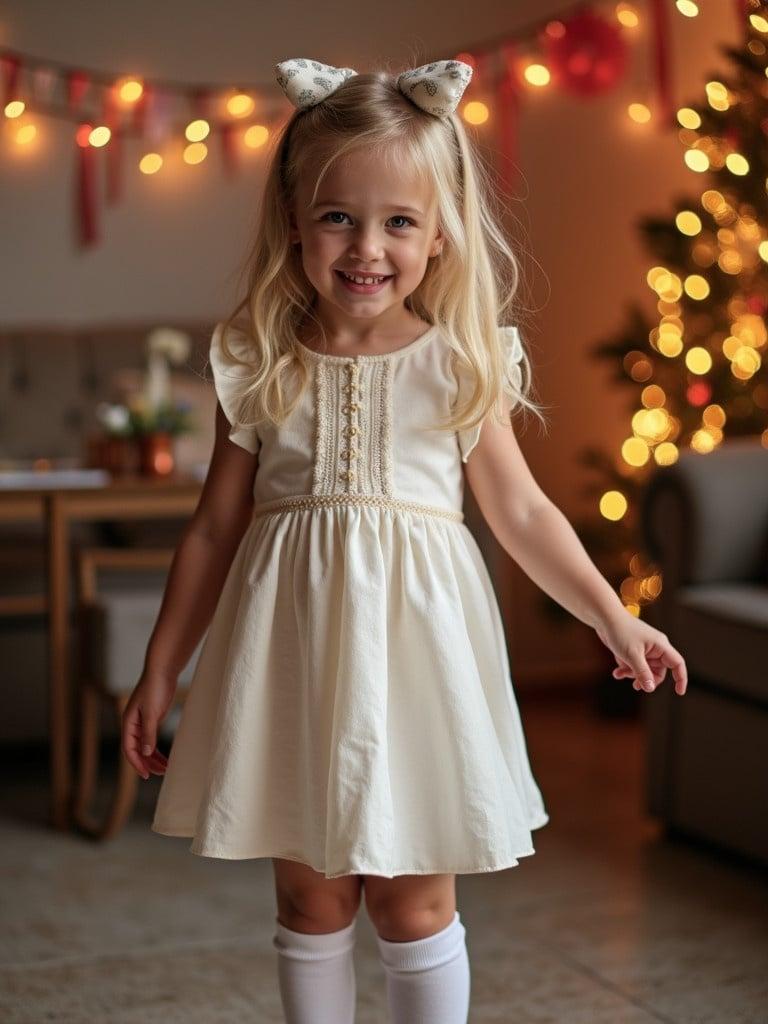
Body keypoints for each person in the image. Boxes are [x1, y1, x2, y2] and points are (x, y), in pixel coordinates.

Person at [121, 56, 688, 1024]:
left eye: (399, 221)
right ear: (294, 218)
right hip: (290, 658)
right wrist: (161, 668)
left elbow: (521, 512)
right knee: (310, 895)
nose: (366, 247)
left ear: (439, 232)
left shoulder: (460, 357)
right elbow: (216, 527)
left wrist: (612, 617)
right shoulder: (256, 359)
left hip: (421, 659)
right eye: (339, 215)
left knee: (415, 901)